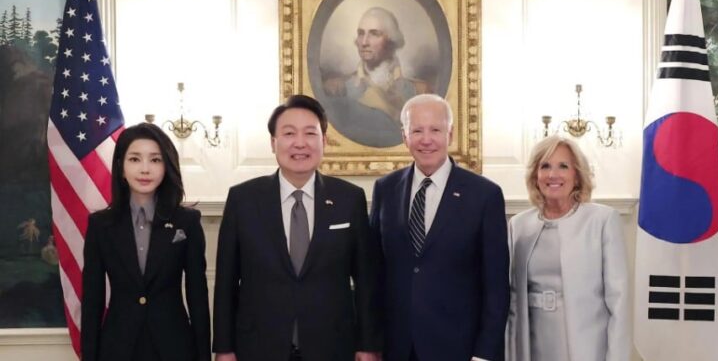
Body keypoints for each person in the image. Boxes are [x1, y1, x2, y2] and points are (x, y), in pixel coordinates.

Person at [212, 95, 383, 361]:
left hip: (333, 346)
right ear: (273, 143)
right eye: (289, 133)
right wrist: (223, 349)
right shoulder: (243, 200)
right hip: (259, 345)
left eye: (310, 133)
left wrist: (368, 344)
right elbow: (225, 282)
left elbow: (365, 279)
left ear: (324, 141)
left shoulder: (349, 199)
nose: (300, 143)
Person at [370, 94, 509, 361]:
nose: (426, 139)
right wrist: (371, 341)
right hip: (397, 347)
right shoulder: (385, 189)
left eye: (435, 129)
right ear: (404, 136)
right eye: (417, 130)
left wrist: (485, 353)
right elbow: (375, 273)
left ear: (450, 134)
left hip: (460, 348)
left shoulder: (484, 195)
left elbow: (496, 286)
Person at [81, 123, 210, 361]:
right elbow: (92, 302)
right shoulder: (101, 226)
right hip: (117, 347)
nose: (145, 169)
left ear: (166, 166)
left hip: (175, 347)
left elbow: (198, 298)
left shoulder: (187, 222)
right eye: (135, 159)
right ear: (121, 167)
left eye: (155, 160)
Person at [506, 135, 630, 361]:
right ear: (535, 175)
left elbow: (619, 303)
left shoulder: (602, 220)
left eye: (563, 166)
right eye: (545, 166)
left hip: (586, 348)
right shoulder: (518, 225)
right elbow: (511, 300)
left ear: (577, 175)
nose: (553, 174)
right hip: (531, 345)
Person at [324, 7, 430, 148]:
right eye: (361, 33)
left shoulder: (420, 91)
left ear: (391, 41)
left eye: (374, 34)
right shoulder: (338, 89)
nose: (364, 42)